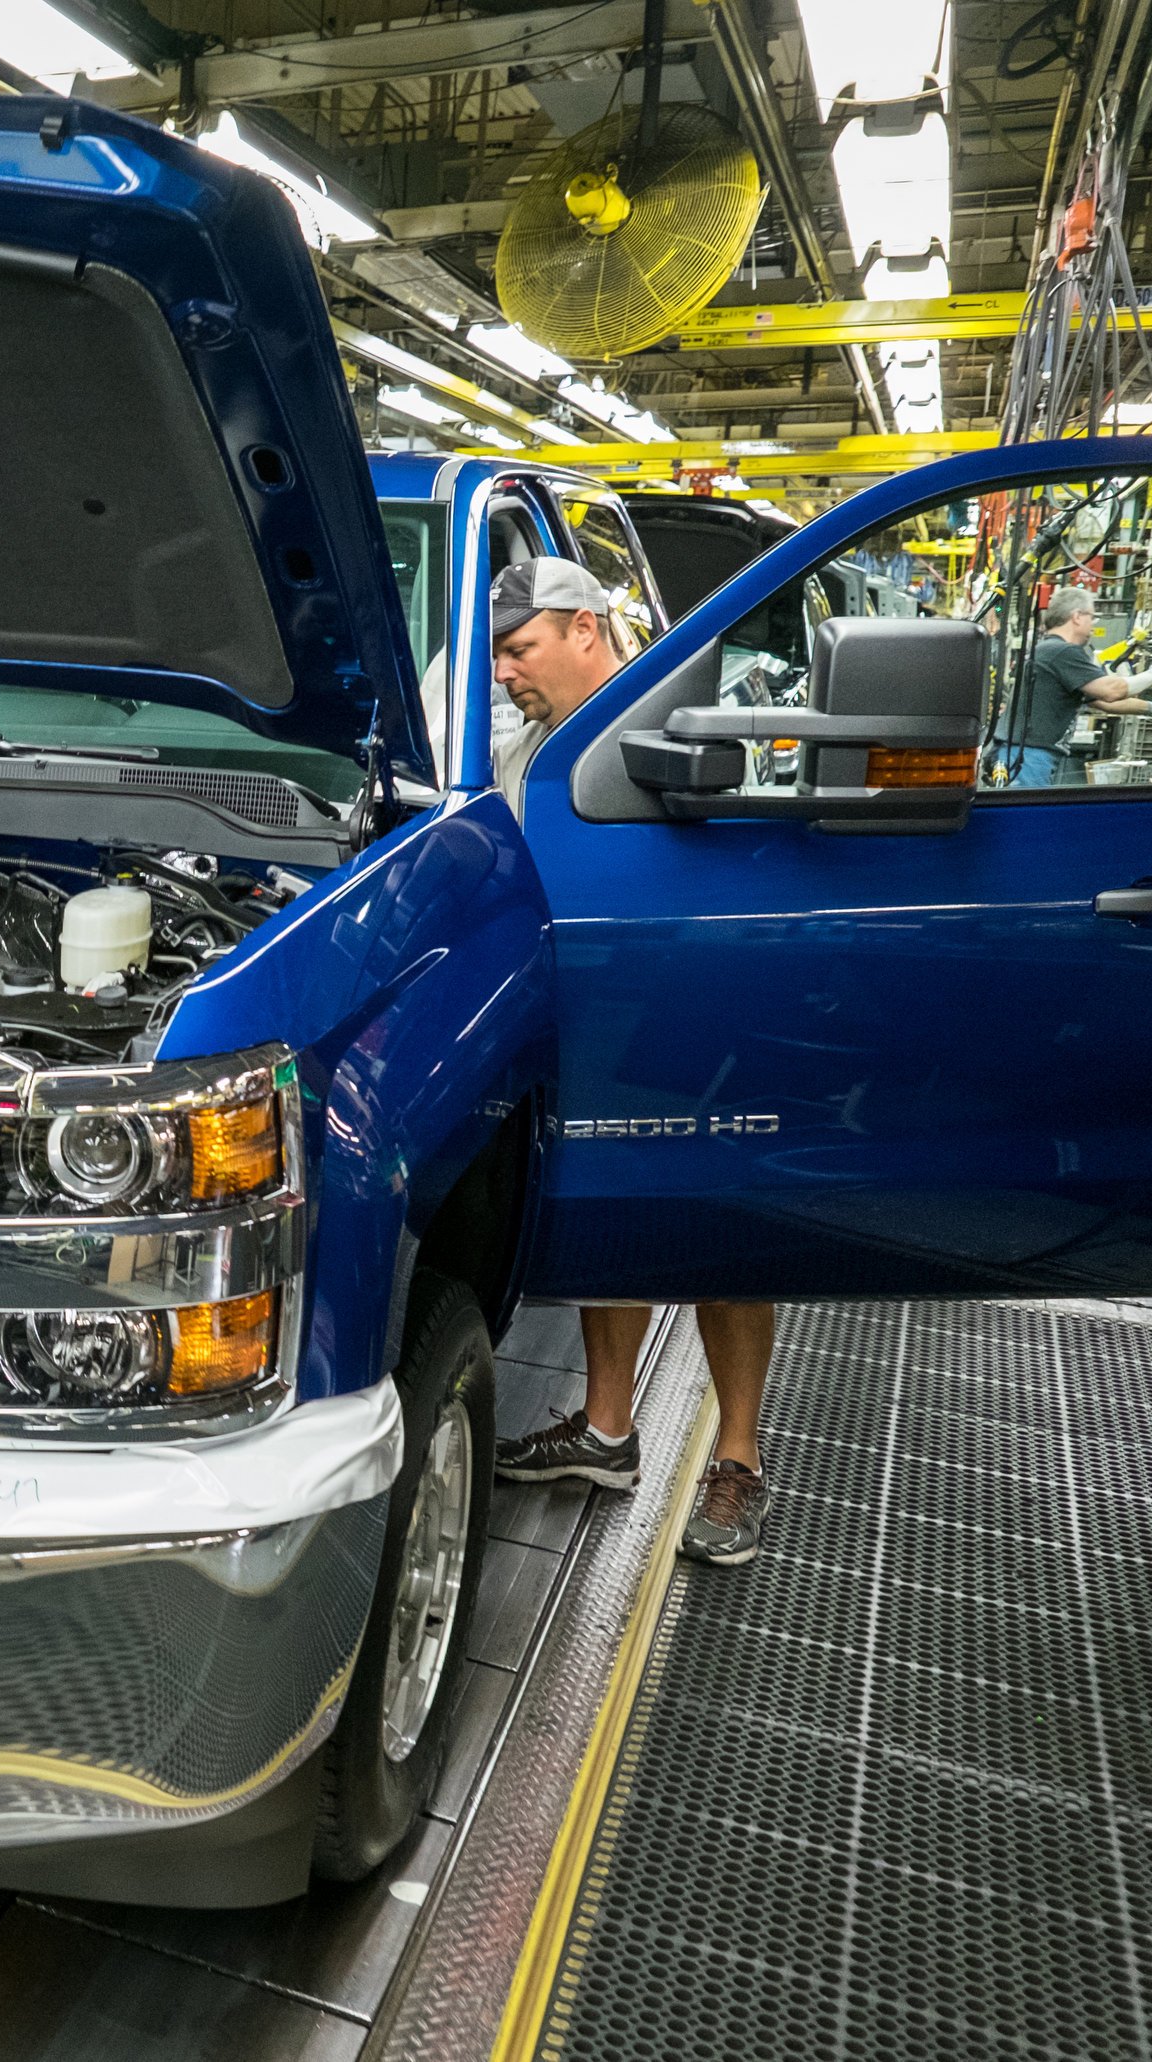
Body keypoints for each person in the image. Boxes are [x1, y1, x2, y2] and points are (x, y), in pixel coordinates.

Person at [476, 557, 780, 1565]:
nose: (509, 671)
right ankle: (607, 1430)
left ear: (582, 630)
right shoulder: (522, 749)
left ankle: (736, 1457)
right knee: (613, 1208)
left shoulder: (687, 721)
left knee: (717, 1233)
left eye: (521, 650)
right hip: (585, 1011)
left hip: (690, 1010)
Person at [995, 586, 1152, 788]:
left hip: (1027, 754)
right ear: (1077, 617)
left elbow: (1105, 702)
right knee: (1028, 817)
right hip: (1028, 757)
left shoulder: (1050, 650)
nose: (1093, 626)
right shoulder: (1061, 651)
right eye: (1091, 617)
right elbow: (1112, 690)